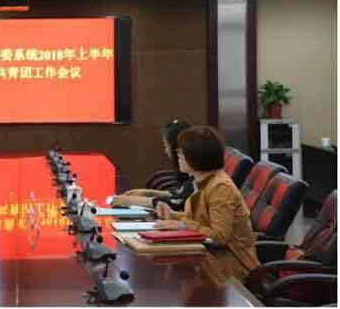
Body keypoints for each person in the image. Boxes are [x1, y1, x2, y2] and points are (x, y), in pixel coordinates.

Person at [154, 126, 260, 280]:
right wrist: (173, 215)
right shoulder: (202, 181)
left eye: (181, 152)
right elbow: (201, 220)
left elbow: (219, 236)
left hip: (232, 264)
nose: (178, 156)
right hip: (212, 257)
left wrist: (181, 225)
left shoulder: (220, 187)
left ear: (196, 156)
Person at [110, 119, 193, 209]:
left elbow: (176, 202)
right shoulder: (192, 179)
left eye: (180, 152)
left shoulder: (198, 182)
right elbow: (179, 193)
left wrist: (130, 201)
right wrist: (147, 193)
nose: (178, 155)